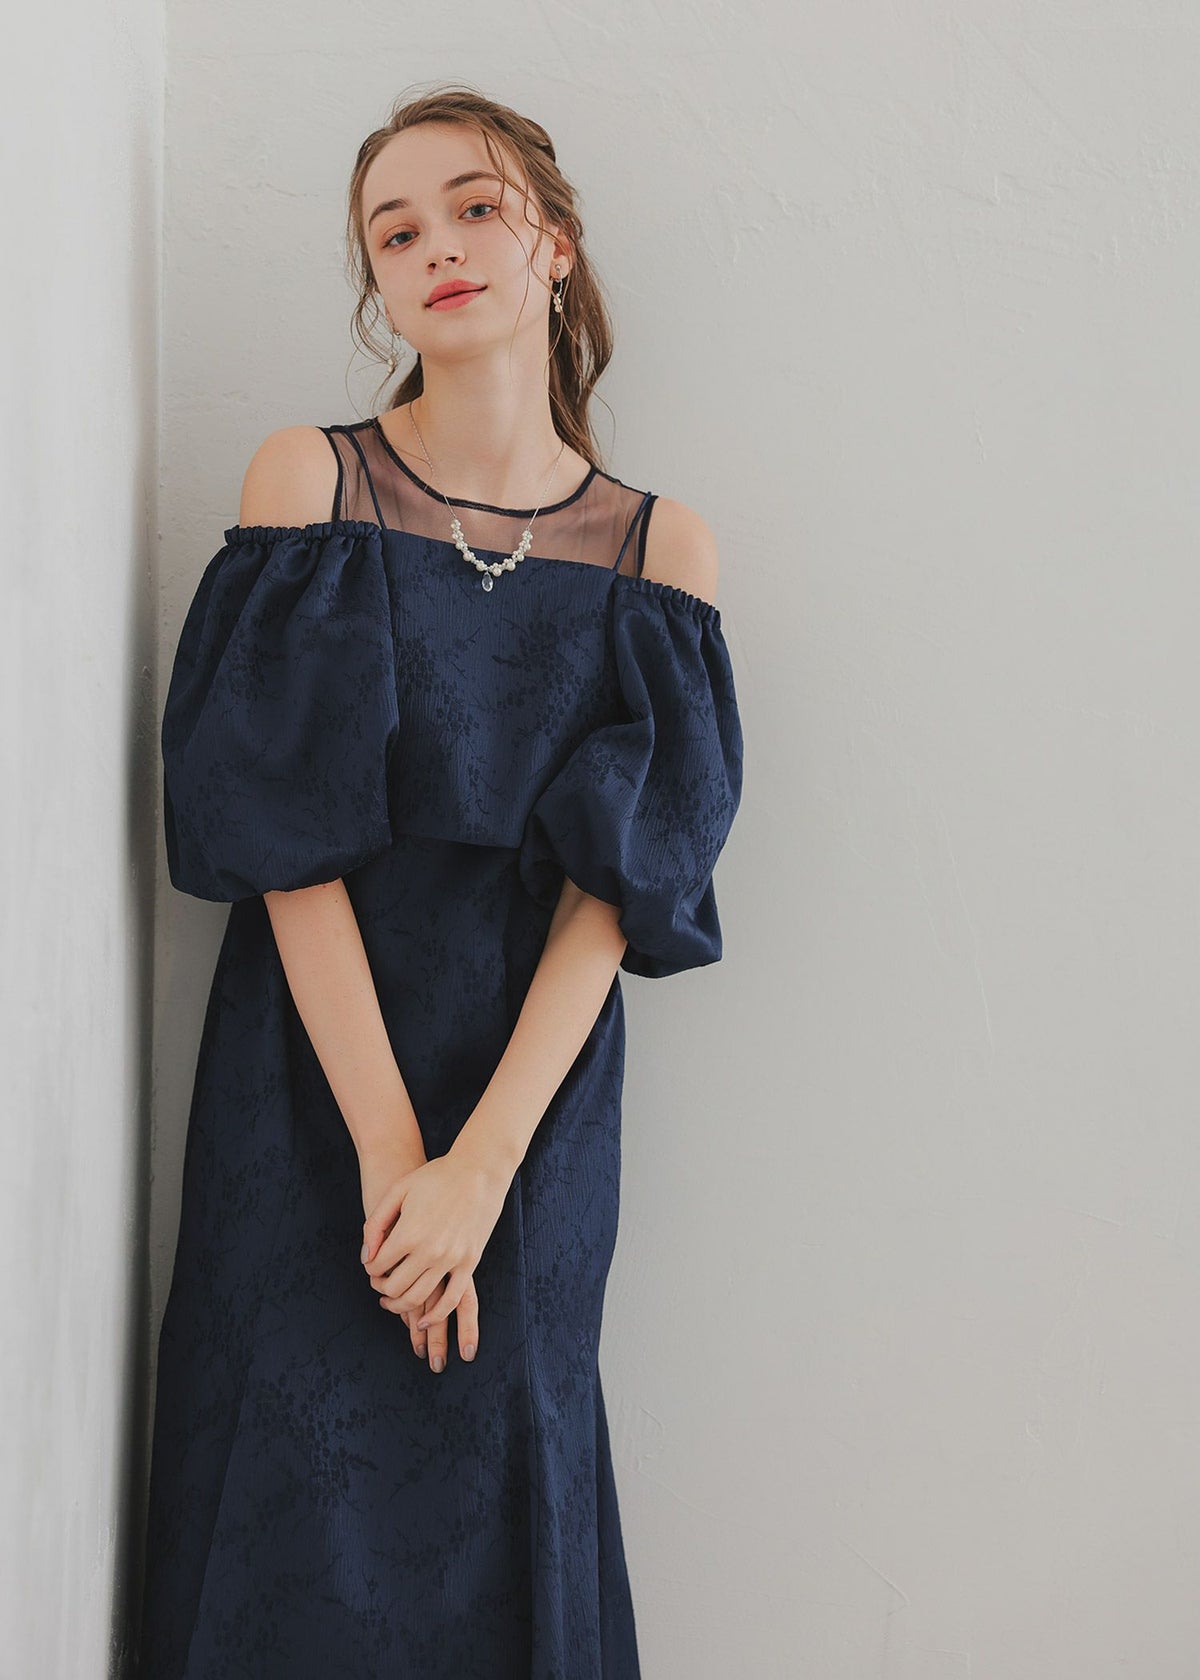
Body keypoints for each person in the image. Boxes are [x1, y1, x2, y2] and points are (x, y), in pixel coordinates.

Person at [137, 83, 744, 1679]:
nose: (438, 249)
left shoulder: (661, 552)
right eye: (394, 234)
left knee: (506, 1472)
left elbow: (614, 898)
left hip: (531, 1103)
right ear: (378, 288)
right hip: (310, 1075)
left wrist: (477, 1172)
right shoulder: (309, 484)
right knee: (283, 1470)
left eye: (474, 209)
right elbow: (283, 844)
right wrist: (395, 1153)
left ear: (554, 245)